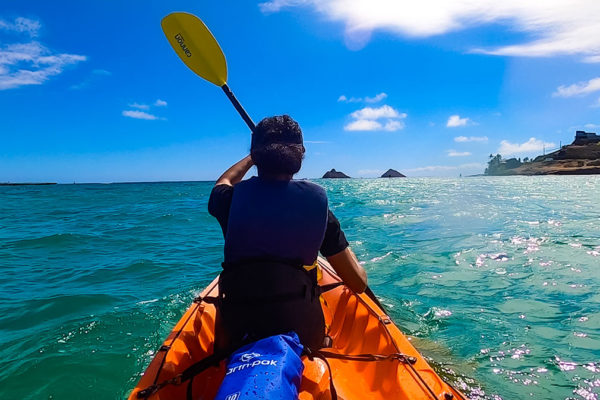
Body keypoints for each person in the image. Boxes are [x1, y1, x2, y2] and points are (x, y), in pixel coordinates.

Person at [208, 115, 367, 350]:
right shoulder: (317, 208)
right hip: (303, 336)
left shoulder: (228, 201)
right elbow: (358, 283)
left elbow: (224, 181)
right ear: (300, 156)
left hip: (235, 333)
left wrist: (252, 157)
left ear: (258, 154)